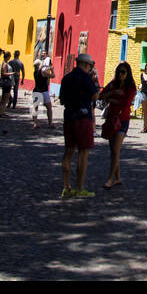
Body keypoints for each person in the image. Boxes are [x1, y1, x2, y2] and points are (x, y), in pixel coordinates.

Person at [58, 52, 100, 198]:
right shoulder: (86, 78)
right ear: (86, 65)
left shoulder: (66, 78)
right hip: (83, 118)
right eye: (90, 66)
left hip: (69, 117)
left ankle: (66, 186)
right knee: (83, 153)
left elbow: (62, 100)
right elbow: (95, 96)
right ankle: (79, 187)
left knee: (68, 152)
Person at [98, 63, 137, 190]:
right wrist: (114, 93)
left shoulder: (131, 87)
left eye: (123, 72)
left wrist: (111, 99)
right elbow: (102, 95)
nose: (120, 74)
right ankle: (118, 178)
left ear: (128, 73)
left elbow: (126, 104)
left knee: (115, 150)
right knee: (113, 151)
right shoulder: (113, 84)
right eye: (119, 71)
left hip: (123, 121)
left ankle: (110, 179)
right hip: (111, 119)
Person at [31, 54, 55, 130]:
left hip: (36, 90)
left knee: (35, 108)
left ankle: (35, 123)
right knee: (49, 107)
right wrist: (51, 69)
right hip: (43, 91)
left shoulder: (35, 72)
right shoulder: (43, 72)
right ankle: (50, 123)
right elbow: (53, 76)